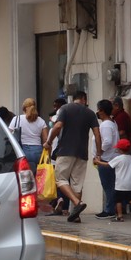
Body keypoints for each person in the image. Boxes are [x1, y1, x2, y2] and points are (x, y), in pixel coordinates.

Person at [43, 90, 101, 223]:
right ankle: (76, 215)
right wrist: (98, 153)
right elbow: (97, 134)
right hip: (82, 153)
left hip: (65, 150)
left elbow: (58, 126)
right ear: (84, 99)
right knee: (77, 184)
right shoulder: (90, 113)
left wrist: (49, 141)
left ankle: (77, 202)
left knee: (60, 179)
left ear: (74, 99)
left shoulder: (65, 108)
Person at [92, 139, 131, 223]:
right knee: (130, 199)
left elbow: (108, 164)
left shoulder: (119, 158)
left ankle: (119, 216)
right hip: (130, 185)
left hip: (120, 185)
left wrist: (98, 162)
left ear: (119, 149)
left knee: (118, 200)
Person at [8, 98, 48, 173]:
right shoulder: (41, 121)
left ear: (24, 108)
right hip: (37, 151)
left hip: (22, 151)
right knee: (38, 175)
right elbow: (45, 139)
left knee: (24, 175)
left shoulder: (17, 119)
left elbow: (8, 135)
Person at [94, 99, 119, 219]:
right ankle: (112, 208)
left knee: (108, 185)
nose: (97, 112)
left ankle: (109, 210)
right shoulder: (112, 123)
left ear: (102, 111)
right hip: (111, 157)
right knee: (111, 185)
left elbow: (107, 141)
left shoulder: (106, 125)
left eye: (98, 109)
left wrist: (99, 153)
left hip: (106, 158)